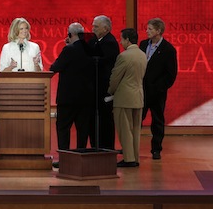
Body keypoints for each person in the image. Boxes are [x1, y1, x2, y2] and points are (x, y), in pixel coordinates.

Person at [50, 22, 94, 154]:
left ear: (70, 34)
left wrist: (68, 46)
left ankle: (65, 156)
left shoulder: (69, 50)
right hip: (86, 97)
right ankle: (81, 154)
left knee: (63, 128)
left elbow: (54, 67)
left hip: (68, 98)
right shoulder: (90, 49)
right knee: (83, 129)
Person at [140, 17, 178, 160]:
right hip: (141, 91)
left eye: (150, 29)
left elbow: (171, 75)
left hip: (157, 93)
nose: (147, 31)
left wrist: (158, 88)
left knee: (157, 121)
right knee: (136, 120)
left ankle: (156, 149)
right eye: (147, 28)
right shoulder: (143, 44)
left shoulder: (168, 50)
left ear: (158, 31)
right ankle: (130, 149)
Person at [108, 27, 147, 168]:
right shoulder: (143, 55)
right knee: (135, 130)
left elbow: (115, 78)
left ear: (127, 40)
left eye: (122, 39)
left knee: (125, 129)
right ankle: (135, 157)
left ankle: (128, 158)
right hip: (138, 96)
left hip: (124, 97)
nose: (120, 41)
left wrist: (110, 91)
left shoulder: (124, 56)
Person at [87, 14, 119, 149]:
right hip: (93, 88)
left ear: (105, 29)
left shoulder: (110, 42)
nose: (92, 29)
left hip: (104, 88)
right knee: (93, 119)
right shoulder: (94, 40)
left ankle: (106, 148)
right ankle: (95, 146)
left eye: (96, 26)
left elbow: (101, 61)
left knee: (105, 119)